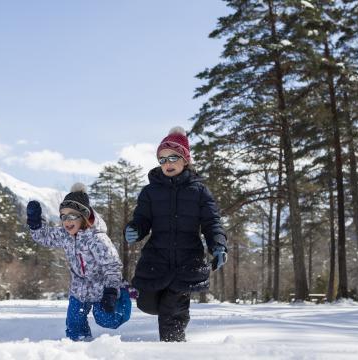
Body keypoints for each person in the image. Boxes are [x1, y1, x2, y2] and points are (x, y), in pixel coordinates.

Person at [124, 126, 227, 342]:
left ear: (185, 160)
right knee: (148, 304)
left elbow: (211, 222)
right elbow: (142, 219)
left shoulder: (199, 191)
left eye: (173, 157)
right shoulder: (150, 192)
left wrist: (218, 245)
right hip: (157, 258)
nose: (167, 163)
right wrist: (135, 229)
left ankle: (174, 348)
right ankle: (174, 315)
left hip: (187, 260)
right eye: (162, 160)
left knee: (172, 309)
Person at [27, 183, 131, 341]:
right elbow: (45, 236)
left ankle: (122, 298)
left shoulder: (97, 238)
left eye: (71, 216)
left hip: (102, 288)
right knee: (74, 323)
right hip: (79, 289)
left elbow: (112, 266)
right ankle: (79, 345)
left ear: (83, 216)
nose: (66, 221)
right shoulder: (65, 235)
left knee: (107, 319)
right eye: (63, 216)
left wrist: (111, 290)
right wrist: (35, 223)